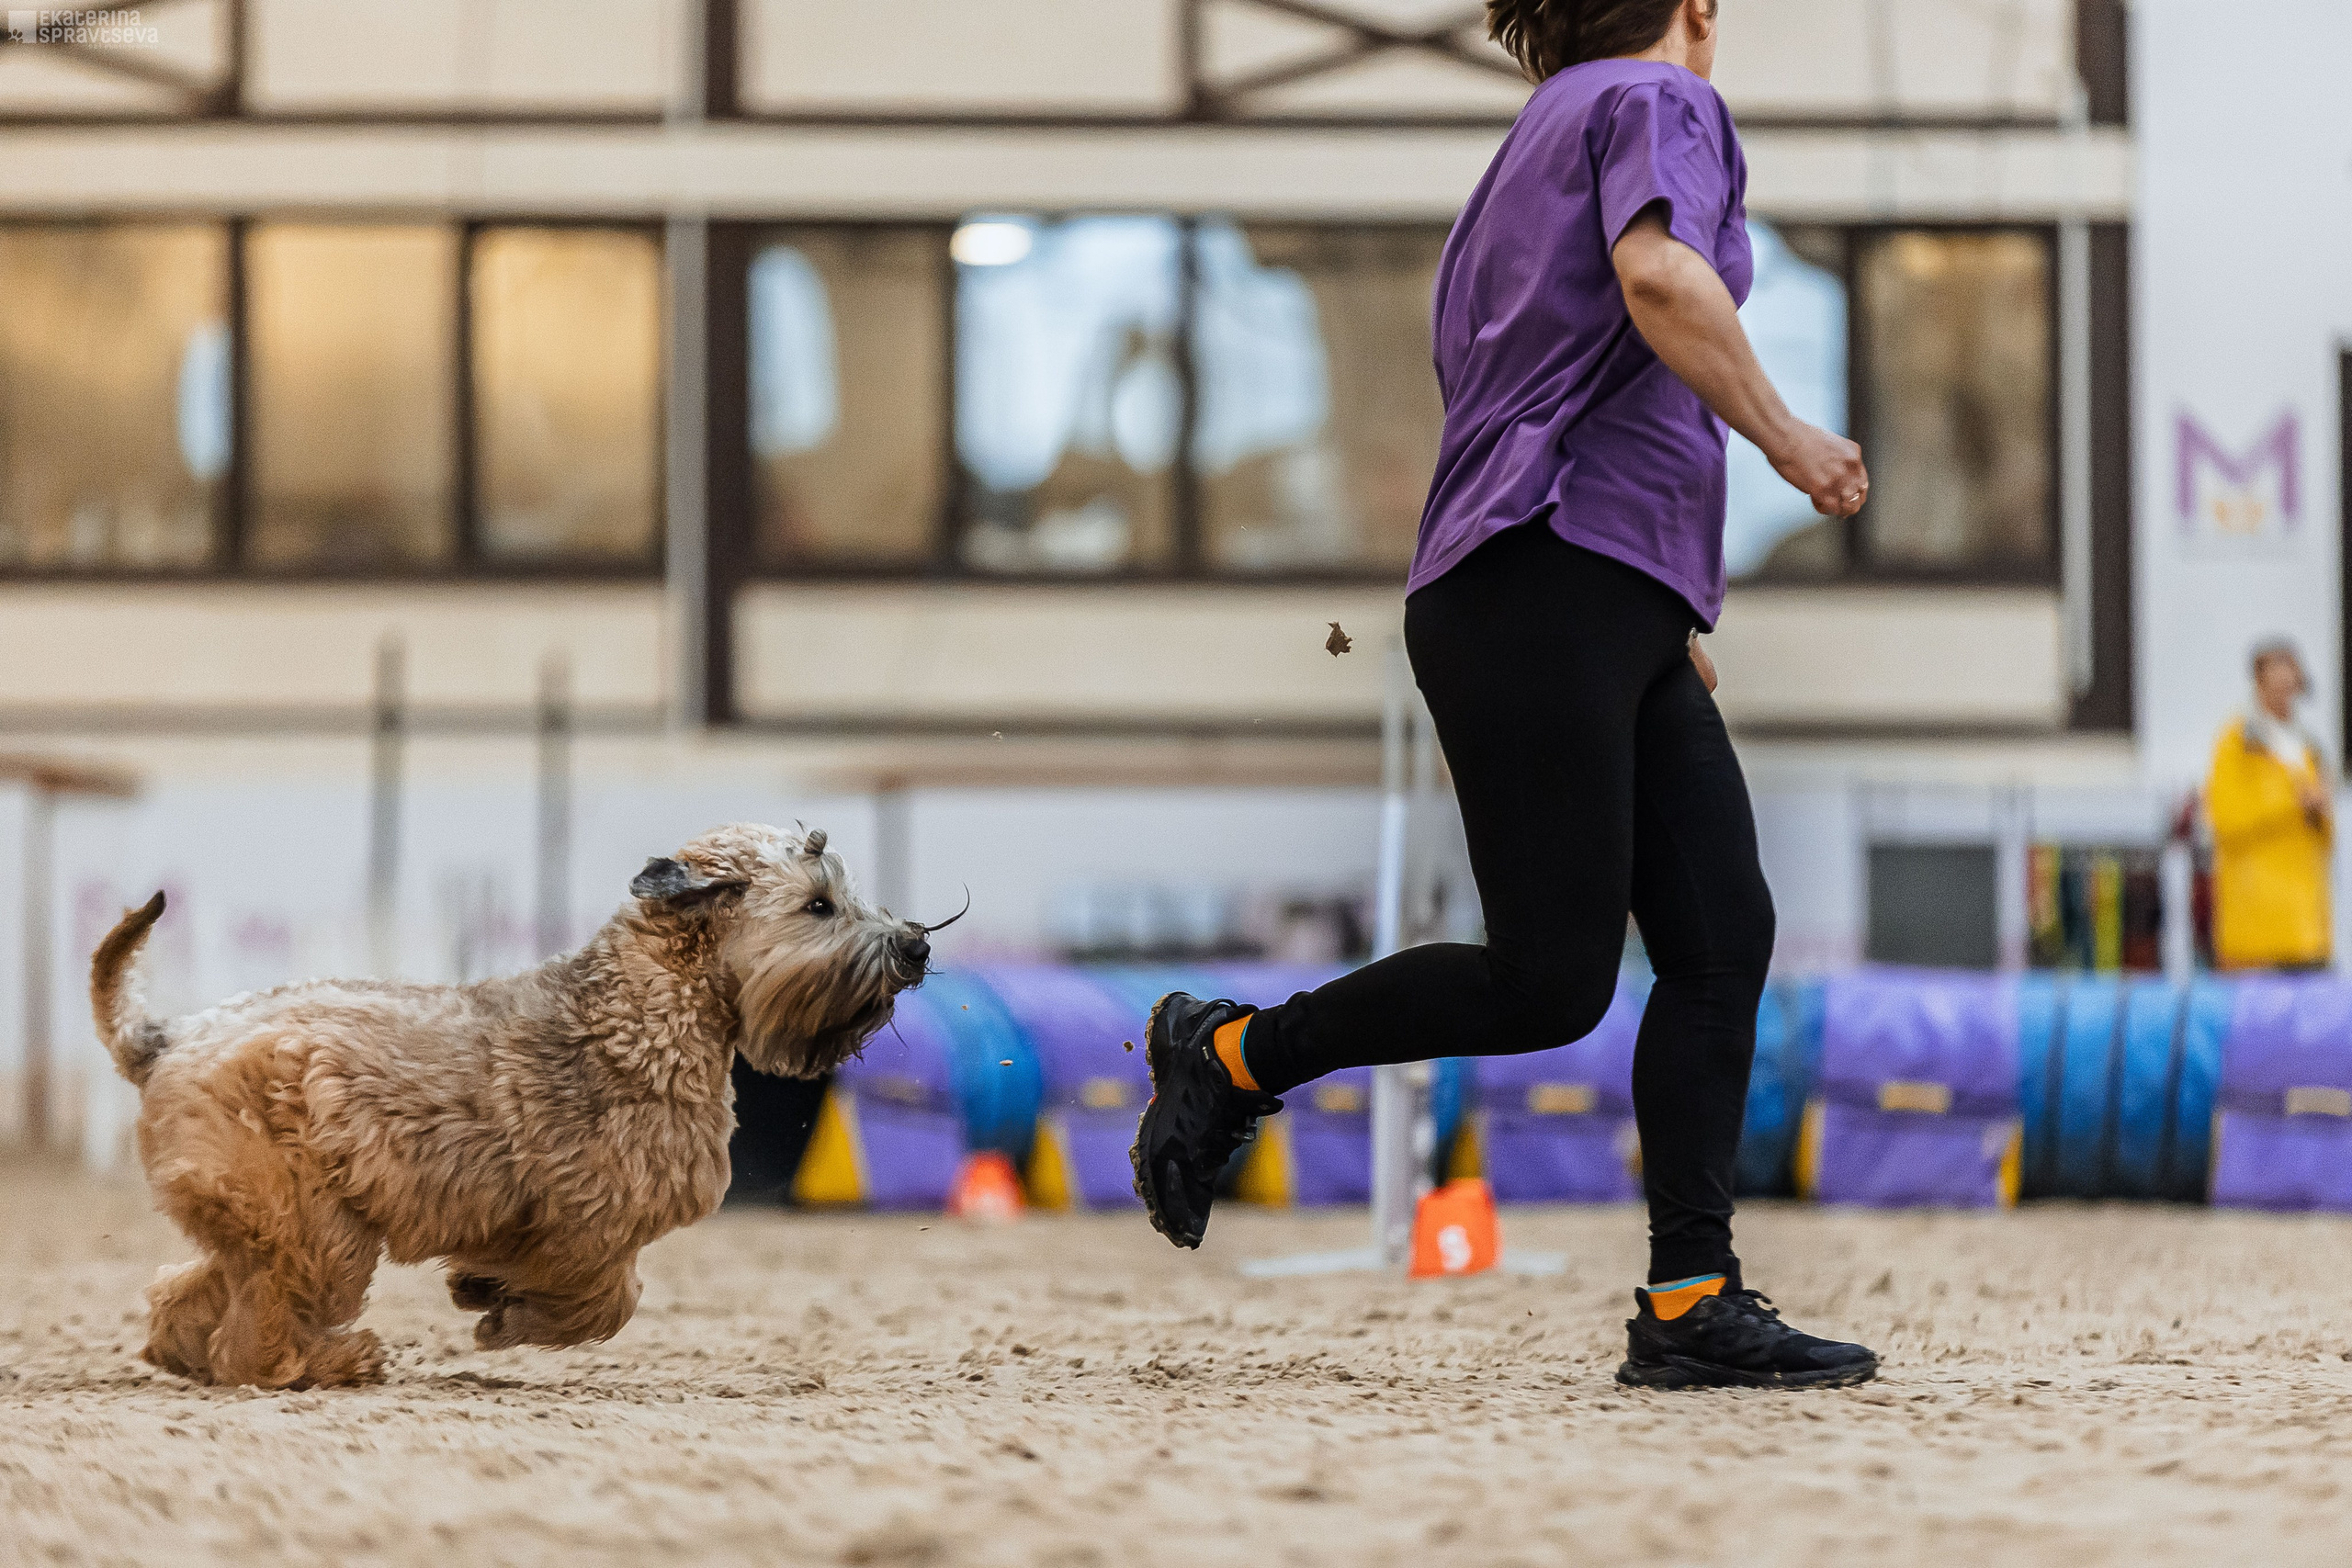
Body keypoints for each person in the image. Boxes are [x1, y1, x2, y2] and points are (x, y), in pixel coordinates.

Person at [1131, 0, 1881, 1391]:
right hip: (1548, 583)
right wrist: (1788, 440)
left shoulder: (1525, 148)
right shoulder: (1665, 106)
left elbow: (1541, 378)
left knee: (1721, 935)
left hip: (1575, 589)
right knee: (1552, 978)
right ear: (1696, 9)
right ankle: (1232, 1052)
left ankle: (1690, 1295)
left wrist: (1651, 611)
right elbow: (1661, 282)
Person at [2206, 638, 2333, 971]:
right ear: (2259, 683)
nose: (2283, 692)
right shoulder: (2238, 742)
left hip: (2305, 930)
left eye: (2290, 683)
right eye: (2275, 681)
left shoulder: (2308, 747)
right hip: (2255, 934)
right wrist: (2292, 801)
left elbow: (2323, 839)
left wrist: (2319, 812)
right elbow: (2225, 819)